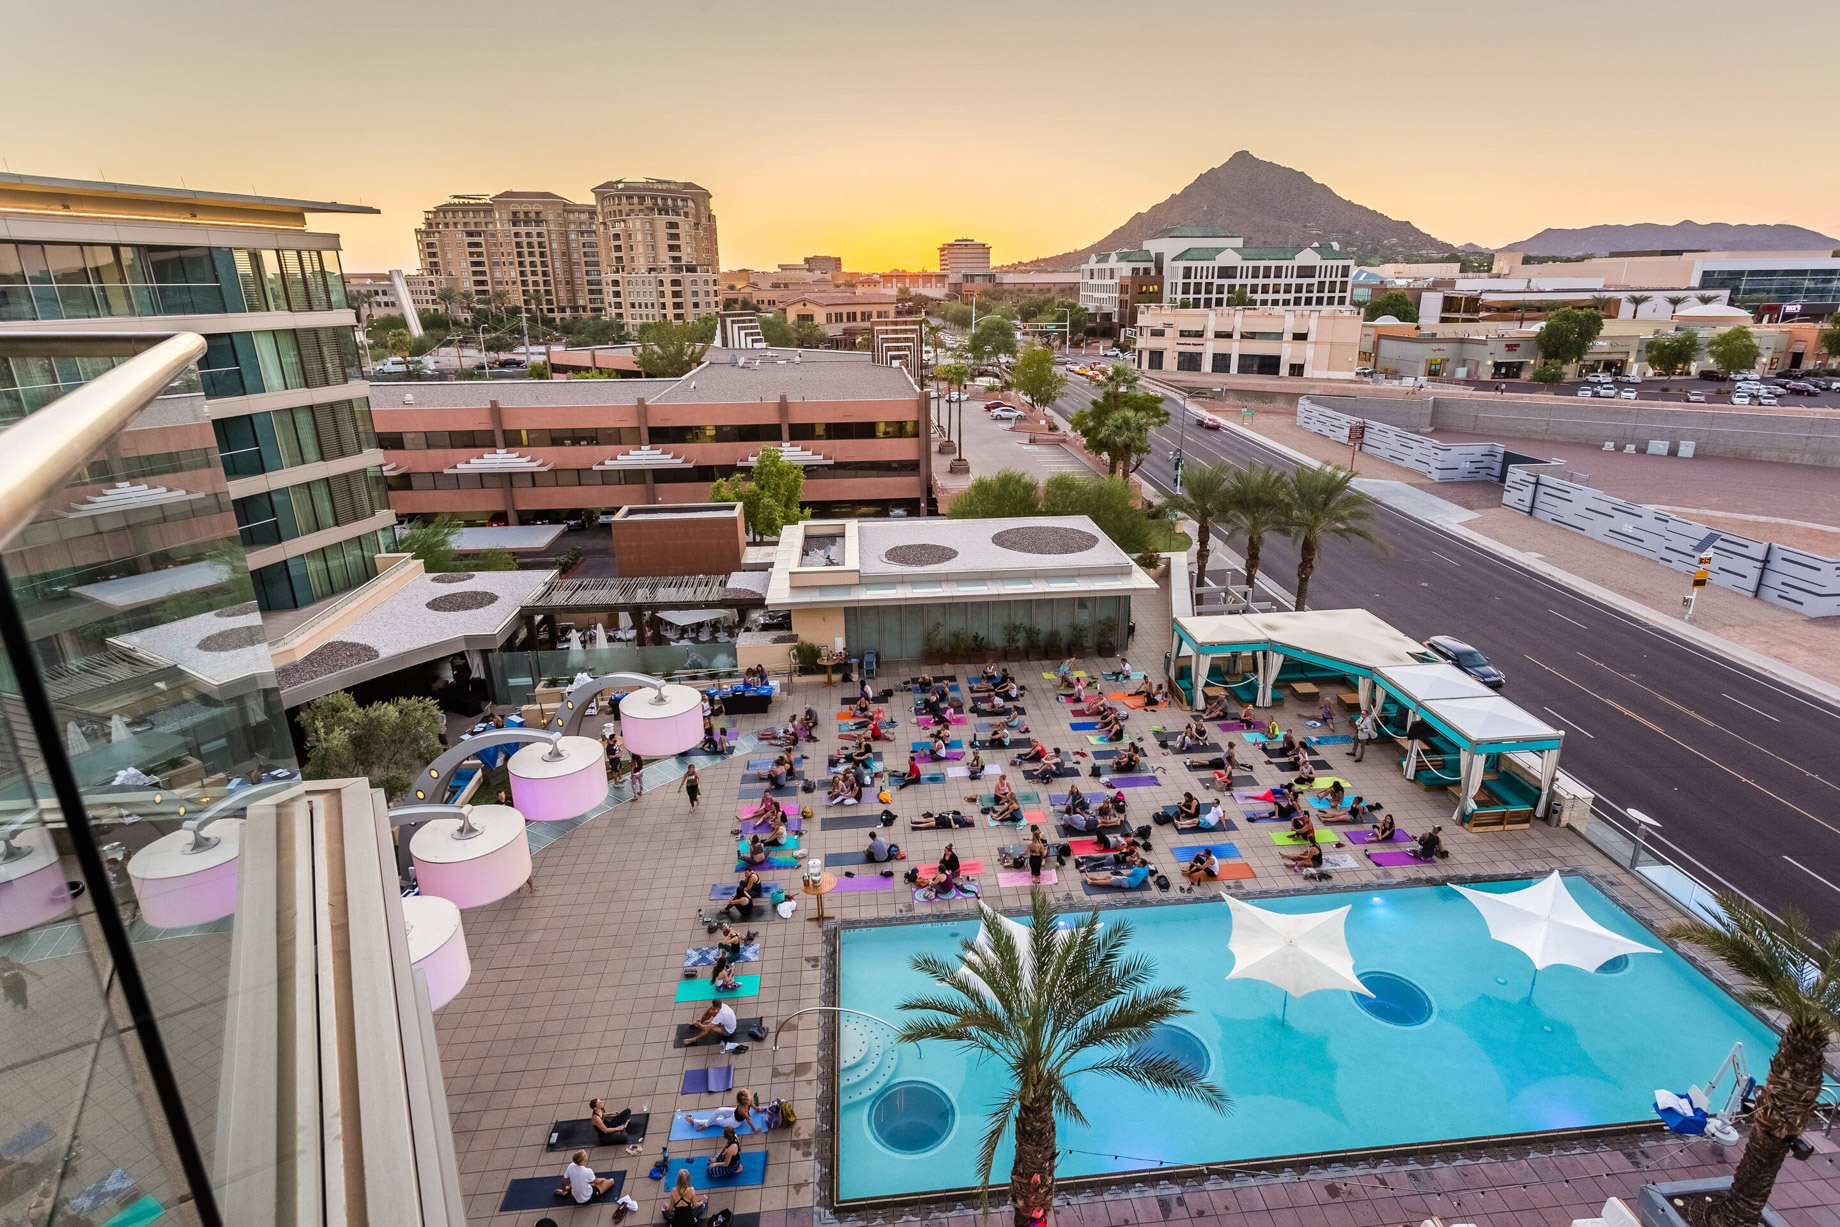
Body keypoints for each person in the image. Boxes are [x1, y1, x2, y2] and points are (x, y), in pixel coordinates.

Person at [683, 1089, 760, 1134]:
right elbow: (752, 1106)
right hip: (734, 1113)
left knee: (716, 1121)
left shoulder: (743, 1109)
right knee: (719, 1110)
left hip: (735, 1122)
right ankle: (705, 1125)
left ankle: (696, 1122)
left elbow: (748, 1120)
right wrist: (758, 1110)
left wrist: (754, 1129)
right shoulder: (745, 1103)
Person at [1083, 861, 1152, 889]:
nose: (1136, 862)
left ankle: (1091, 882)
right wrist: (1138, 878)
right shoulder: (1146, 869)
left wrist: (1121, 876)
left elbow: (1127, 875)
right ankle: (1092, 878)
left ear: (1141, 865)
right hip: (1132, 883)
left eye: (1138, 862)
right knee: (1108, 877)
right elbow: (1145, 879)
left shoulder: (1137, 869)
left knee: (1108, 881)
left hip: (1126, 881)